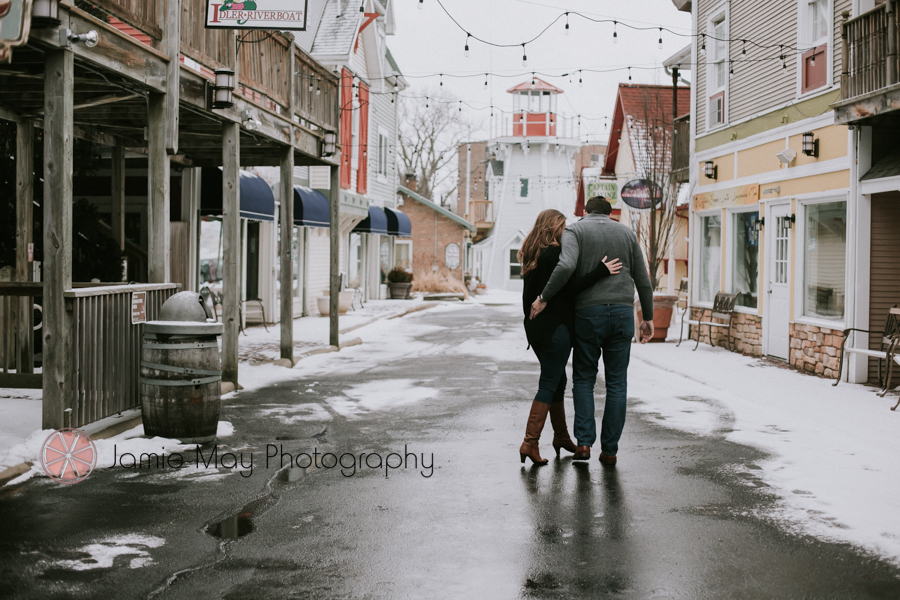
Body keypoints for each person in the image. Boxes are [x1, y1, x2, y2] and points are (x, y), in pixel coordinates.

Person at [531, 197, 654, 466]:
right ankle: (609, 451)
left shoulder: (576, 230)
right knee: (617, 383)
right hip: (623, 314)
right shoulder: (626, 232)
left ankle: (584, 443)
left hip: (588, 315)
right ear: (611, 214)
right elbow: (643, 280)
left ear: (585, 212)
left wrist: (544, 298)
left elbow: (565, 267)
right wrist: (648, 318)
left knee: (584, 379)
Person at [519, 209, 622, 465]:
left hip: (536, 329)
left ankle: (561, 437)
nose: (566, 232)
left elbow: (528, 297)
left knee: (557, 381)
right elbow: (570, 287)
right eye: (563, 227)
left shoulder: (532, 253)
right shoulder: (555, 254)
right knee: (548, 383)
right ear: (553, 227)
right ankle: (529, 442)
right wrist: (601, 270)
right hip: (557, 329)